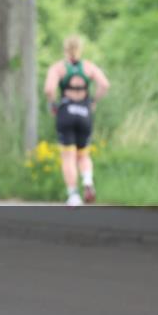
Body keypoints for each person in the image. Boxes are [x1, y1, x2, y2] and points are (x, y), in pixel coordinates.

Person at [43, 35, 110, 207]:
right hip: (84, 112)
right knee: (84, 154)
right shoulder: (89, 67)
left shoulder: (58, 68)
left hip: (66, 111)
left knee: (68, 156)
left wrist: (52, 104)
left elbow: (49, 89)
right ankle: (87, 181)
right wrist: (93, 101)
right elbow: (104, 85)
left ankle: (73, 195)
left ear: (65, 49)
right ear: (81, 49)